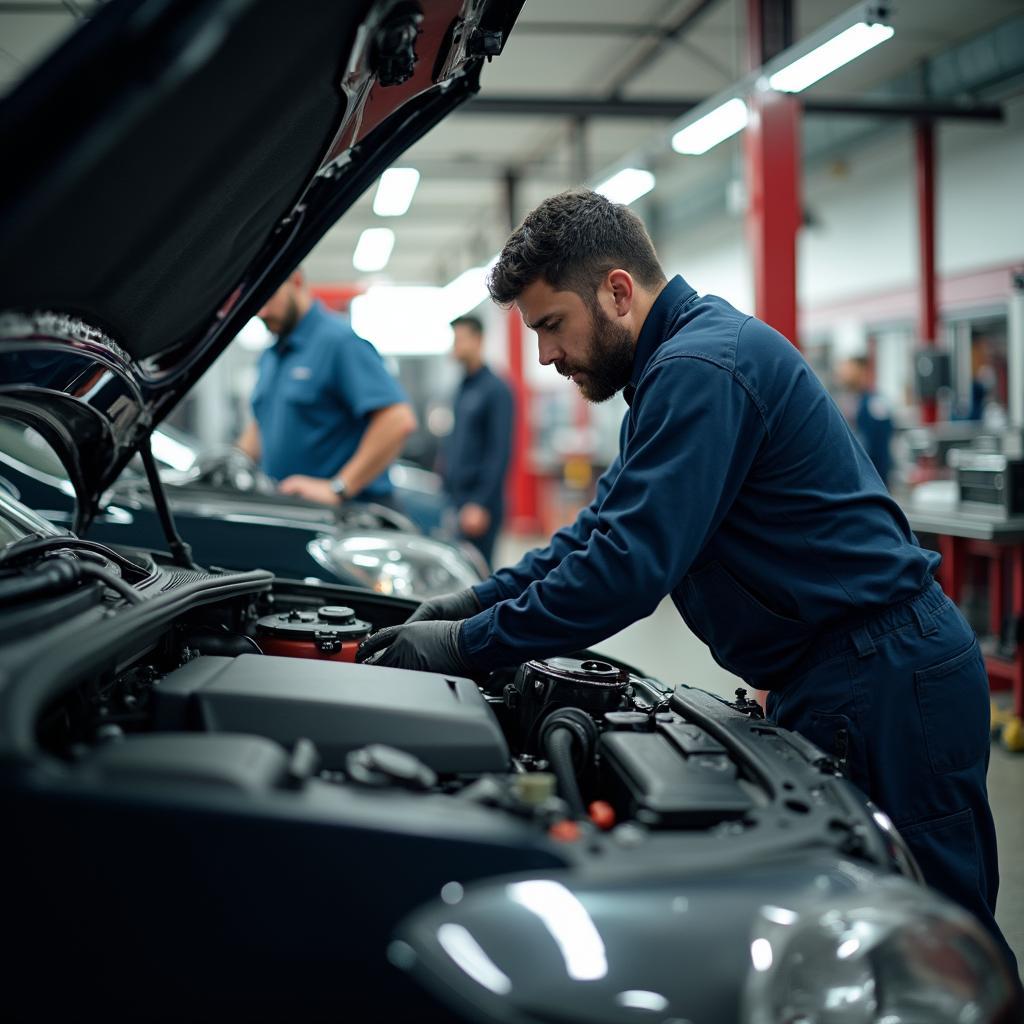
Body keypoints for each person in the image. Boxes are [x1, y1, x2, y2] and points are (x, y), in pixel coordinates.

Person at [357, 188, 1017, 974]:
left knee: (937, 950)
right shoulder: (672, 376)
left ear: (617, 291)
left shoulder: (701, 368)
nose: (544, 356)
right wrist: (470, 601)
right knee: (859, 947)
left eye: (550, 326)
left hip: (886, 677)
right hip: (848, 671)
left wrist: (466, 644)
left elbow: (622, 573)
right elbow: (595, 534)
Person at [236, 268, 416, 508]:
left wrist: (339, 487)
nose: (262, 312)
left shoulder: (338, 342)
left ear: (296, 280)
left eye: (268, 297)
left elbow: (397, 420)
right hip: (293, 511)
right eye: (254, 303)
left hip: (349, 516)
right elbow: (263, 422)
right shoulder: (271, 356)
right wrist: (233, 462)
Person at [438, 315, 514, 566]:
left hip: (479, 504)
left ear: (478, 340)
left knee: (478, 572)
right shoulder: (462, 388)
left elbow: (499, 451)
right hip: (456, 499)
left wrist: (480, 503)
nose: (455, 346)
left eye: (460, 339)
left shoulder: (496, 390)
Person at [836, 355, 894, 487]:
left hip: (872, 479)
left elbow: (880, 448)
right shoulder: (843, 401)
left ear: (861, 371)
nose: (842, 373)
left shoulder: (876, 403)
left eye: (849, 368)